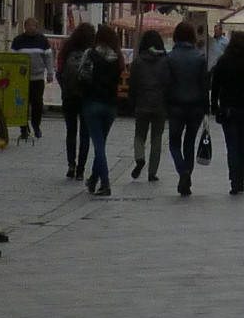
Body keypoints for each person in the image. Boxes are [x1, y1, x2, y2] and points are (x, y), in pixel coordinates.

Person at [164, 17, 211, 195]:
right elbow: (204, 85)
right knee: (189, 143)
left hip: (175, 105)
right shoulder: (200, 58)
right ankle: (186, 177)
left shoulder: (170, 58)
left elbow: (167, 83)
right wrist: (207, 108)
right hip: (196, 107)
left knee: (174, 143)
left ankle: (182, 171)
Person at [210, 32, 244, 193]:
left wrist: (214, 106)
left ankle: (234, 180)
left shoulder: (223, 62)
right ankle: (241, 179)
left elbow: (215, 85)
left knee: (231, 146)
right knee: (242, 144)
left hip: (228, 108)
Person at [80, 22, 126, 197]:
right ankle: (93, 180)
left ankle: (105, 183)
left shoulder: (90, 54)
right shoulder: (118, 58)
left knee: (99, 145)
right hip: (111, 106)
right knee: (101, 143)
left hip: (92, 103)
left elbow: (82, 76)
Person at [127, 28, 170, 182]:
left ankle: (139, 158)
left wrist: (131, 103)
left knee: (139, 135)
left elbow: (133, 84)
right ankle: (152, 173)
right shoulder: (166, 61)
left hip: (142, 103)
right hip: (160, 104)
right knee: (156, 138)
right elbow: (168, 83)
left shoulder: (138, 61)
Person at [56, 23, 94, 179]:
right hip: (86, 96)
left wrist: (64, 88)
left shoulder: (67, 48)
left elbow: (60, 70)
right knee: (85, 133)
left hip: (69, 95)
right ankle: (81, 169)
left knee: (71, 131)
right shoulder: (92, 50)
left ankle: (71, 165)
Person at [15, 22, 54, 142]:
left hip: (37, 77)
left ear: (36, 27)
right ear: (25, 27)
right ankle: (23, 128)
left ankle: (36, 126)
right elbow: (13, 58)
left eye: (33, 26)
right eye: (28, 26)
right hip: (22, 78)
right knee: (22, 104)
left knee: (37, 102)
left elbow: (48, 57)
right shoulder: (18, 40)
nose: (30, 28)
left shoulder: (42, 40)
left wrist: (50, 73)